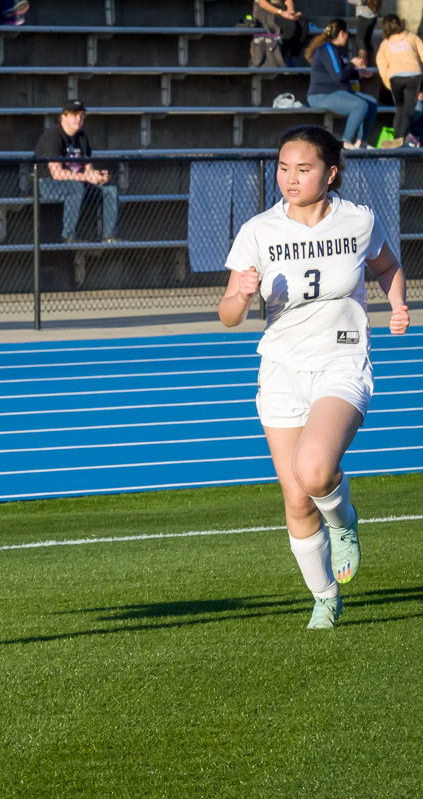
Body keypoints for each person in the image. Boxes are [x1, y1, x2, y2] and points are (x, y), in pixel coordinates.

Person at [218, 125, 410, 629]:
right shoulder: (259, 230)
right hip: (281, 368)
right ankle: (324, 596)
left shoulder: (358, 220)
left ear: (331, 172)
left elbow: (388, 265)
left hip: (341, 359)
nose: (291, 178)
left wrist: (397, 302)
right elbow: (229, 315)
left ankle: (344, 521)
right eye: (284, 168)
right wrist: (240, 294)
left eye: (303, 169)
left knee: (317, 469)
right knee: (296, 499)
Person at [34, 100, 118, 244]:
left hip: (77, 183)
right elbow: (57, 174)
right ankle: (68, 237)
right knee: (75, 188)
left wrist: (96, 176)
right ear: (63, 116)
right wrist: (86, 177)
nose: (79, 118)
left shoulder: (82, 137)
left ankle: (109, 237)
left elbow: (88, 167)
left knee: (109, 189)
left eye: (82, 115)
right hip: (47, 184)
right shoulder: (53, 136)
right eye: (74, 115)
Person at [305, 19, 378, 149]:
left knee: (371, 103)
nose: (347, 37)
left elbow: (342, 72)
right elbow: (338, 76)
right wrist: (353, 63)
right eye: (347, 33)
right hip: (322, 94)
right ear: (342, 33)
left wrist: (358, 74)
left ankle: (361, 142)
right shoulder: (327, 48)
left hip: (337, 91)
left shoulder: (336, 50)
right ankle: (346, 141)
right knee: (360, 105)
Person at [375, 14, 423, 148]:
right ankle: (402, 138)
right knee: (408, 110)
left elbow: (382, 65)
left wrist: (388, 83)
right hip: (414, 75)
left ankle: (398, 137)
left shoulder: (385, 43)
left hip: (395, 77)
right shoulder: (412, 37)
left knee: (400, 109)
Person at [253, 0, 308, 64]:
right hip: (266, 12)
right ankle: (282, 58)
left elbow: (288, 1)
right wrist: (281, 12)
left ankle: (294, 59)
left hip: (282, 11)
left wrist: (291, 13)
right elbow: (262, 3)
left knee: (303, 26)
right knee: (289, 26)